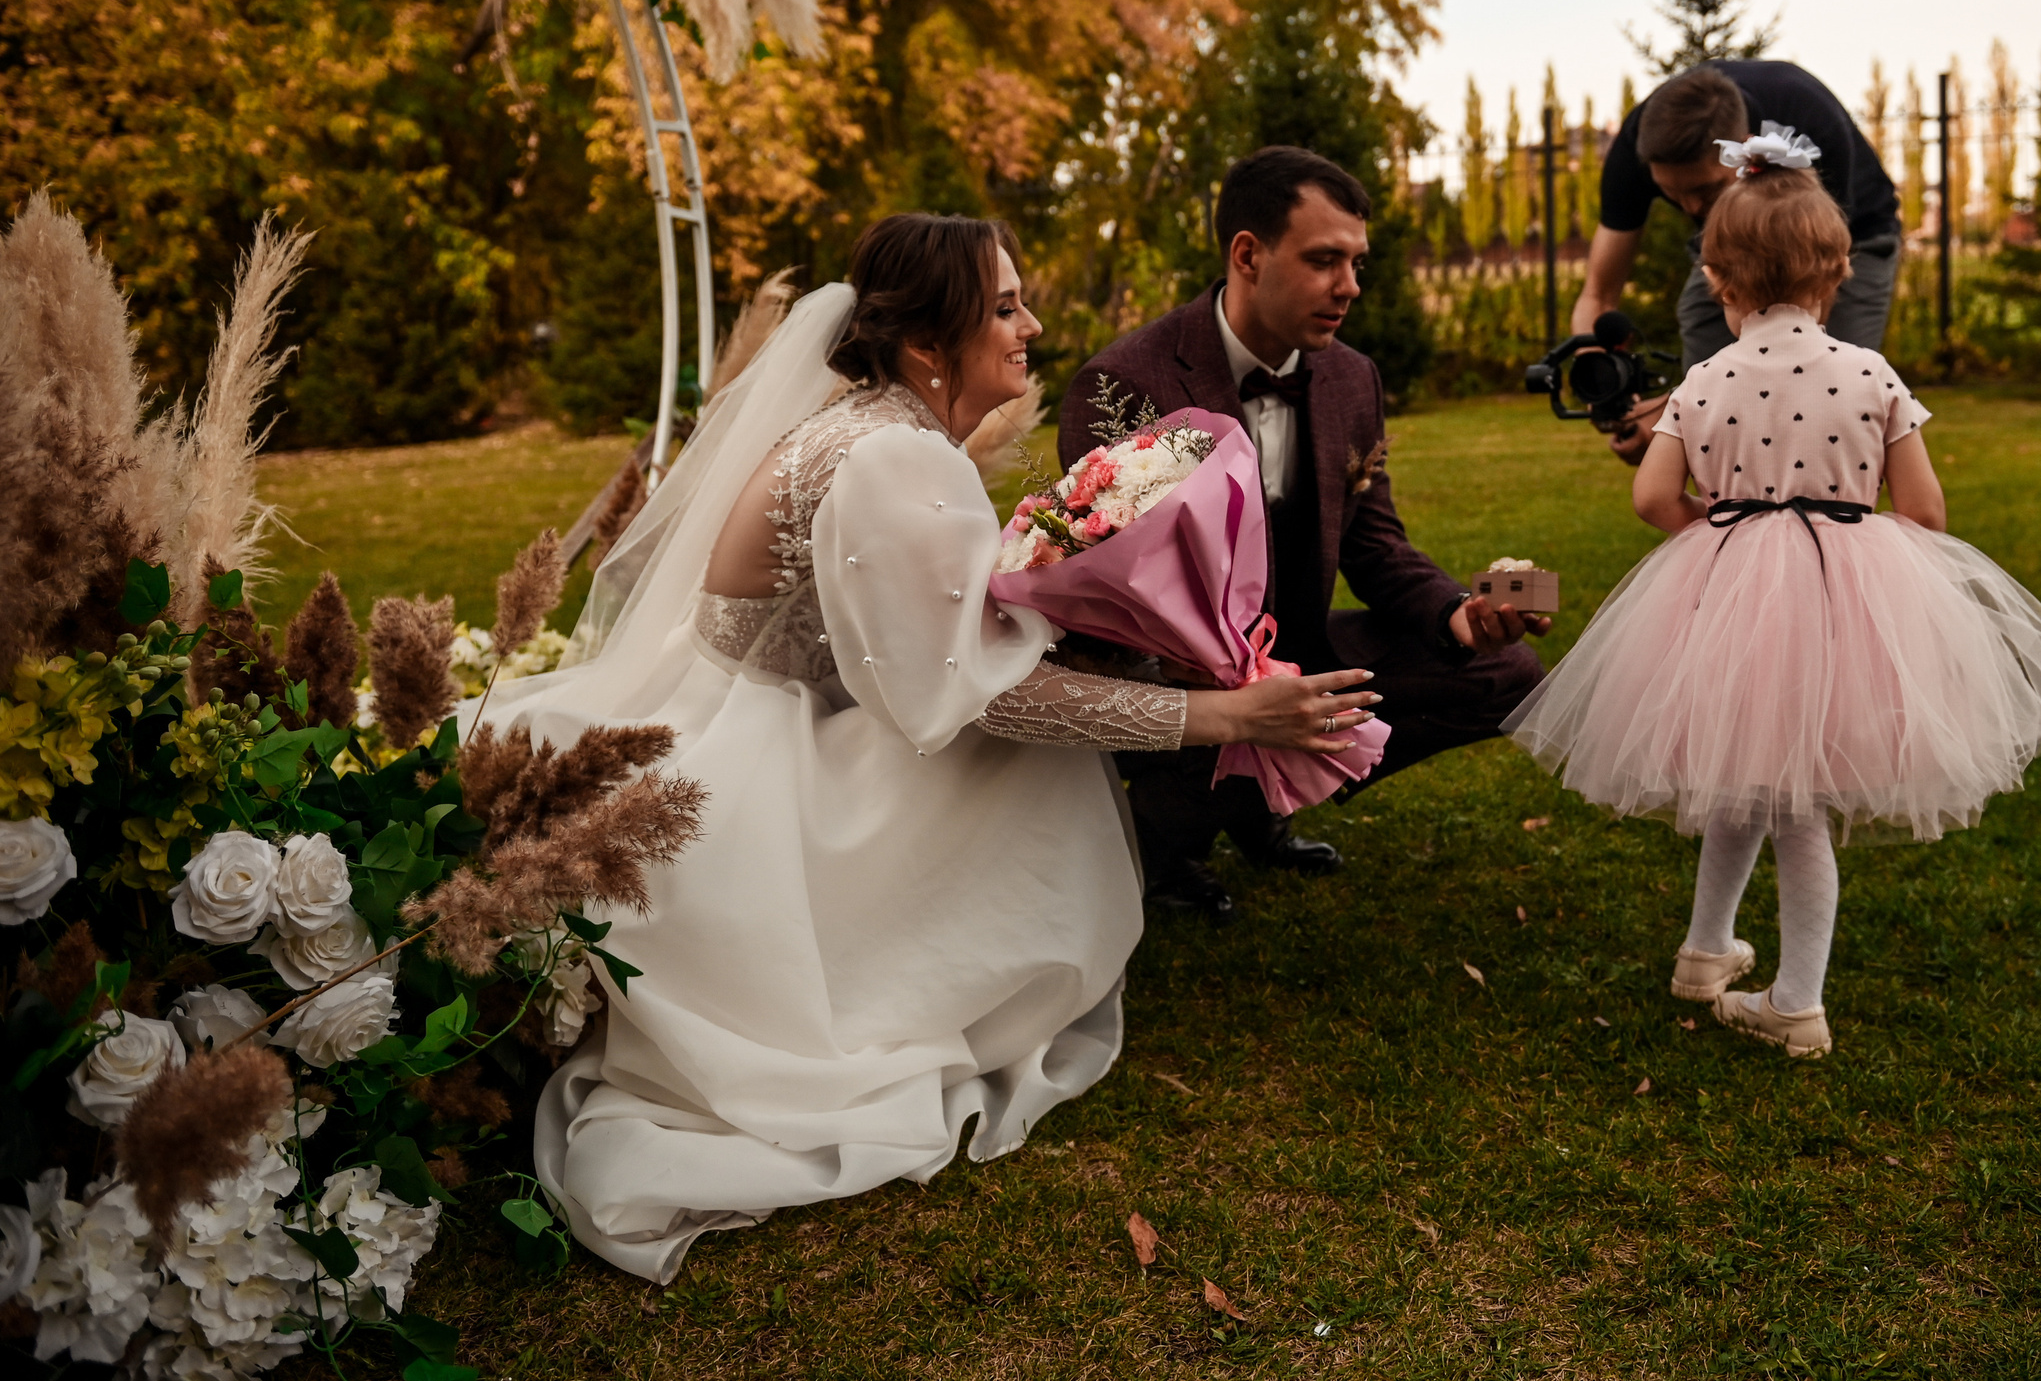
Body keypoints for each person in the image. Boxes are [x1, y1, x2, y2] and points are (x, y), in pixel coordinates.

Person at [485, 215, 1377, 1281]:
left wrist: (1156, 663)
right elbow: (982, 701)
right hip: (763, 779)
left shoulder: (864, 425)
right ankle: (933, 993)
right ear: (926, 343)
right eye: (1003, 305)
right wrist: (1223, 718)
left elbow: (949, 636)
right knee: (1029, 771)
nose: (1030, 323)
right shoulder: (893, 456)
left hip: (748, 717)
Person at [1504, 126, 2041, 1058]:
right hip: (1838, 596)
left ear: (1720, 283)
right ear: (1836, 274)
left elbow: (1652, 495)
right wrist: (1849, 546)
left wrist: (1719, 536)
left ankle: (1739, 971)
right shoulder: (1871, 373)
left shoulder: (1703, 378)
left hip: (1730, 593)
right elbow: (1925, 510)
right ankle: (1758, 980)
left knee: (1745, 773)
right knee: (1797, 793)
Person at [1058, 147, 1550, 922]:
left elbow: (1376, 545)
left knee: (1504, 673)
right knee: (1200, 709)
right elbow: (1102, 600)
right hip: (1175, 679)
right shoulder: (1127, 383)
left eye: (1356, 262)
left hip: (1299, 645)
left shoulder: (1353, 378)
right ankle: (1162, 839)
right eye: (1325, 261)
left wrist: (1463, 615)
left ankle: (1259, 801)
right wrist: (1228, 699)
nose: (1350, 286)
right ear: (1248, 255)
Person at [1573, 60, 1901, 463]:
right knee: (1701, 342)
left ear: (1744, 146)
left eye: (1705, 189)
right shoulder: (1634, 151)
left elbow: (1811, 311)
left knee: (1831, 395)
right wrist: (1605, 385)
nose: (1691, 207)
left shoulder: (1808, 117)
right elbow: (1599, 292)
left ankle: (1832, 512)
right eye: (1671, 193)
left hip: (1851, 243)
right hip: (1733, 238)